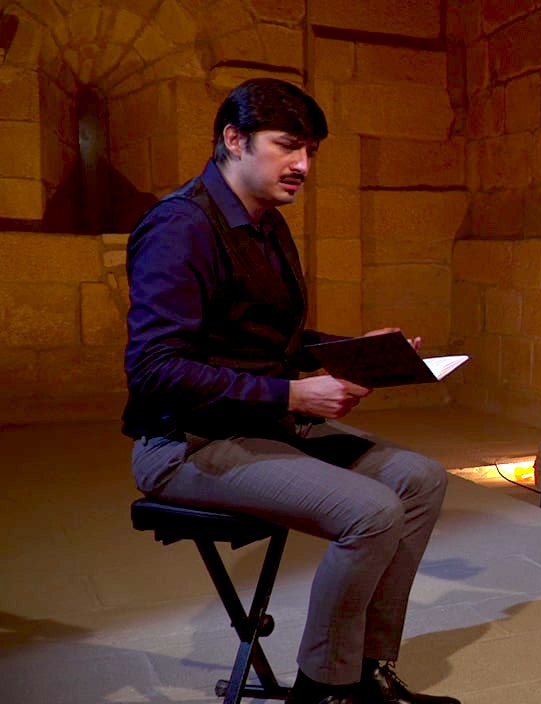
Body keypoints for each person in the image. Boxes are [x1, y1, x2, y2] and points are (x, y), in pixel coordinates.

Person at [124, 78, 459, 704]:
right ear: (234, 139)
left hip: (261, 425)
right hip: (186, 442)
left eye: (311, 152)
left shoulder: (268, 223)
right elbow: (153, 370)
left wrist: (360, 351)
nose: (303, 165)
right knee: (371, 510)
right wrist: (293, 396)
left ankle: (366, 670)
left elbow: (269, 339)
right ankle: (323, 690)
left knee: (420, 478)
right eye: (288, 147)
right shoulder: (179, 228)